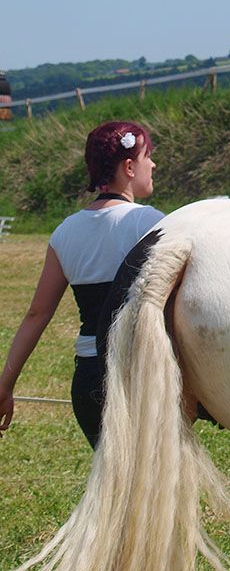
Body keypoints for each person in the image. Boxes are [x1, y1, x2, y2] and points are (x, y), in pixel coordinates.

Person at [0, 122, 163, 449]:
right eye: (148, 156)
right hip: (139, 374)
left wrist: (5, 386)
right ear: (129, 167)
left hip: (88, 381)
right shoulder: (150, 223)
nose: (153, 164)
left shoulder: (64, 232)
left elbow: (36, 314)